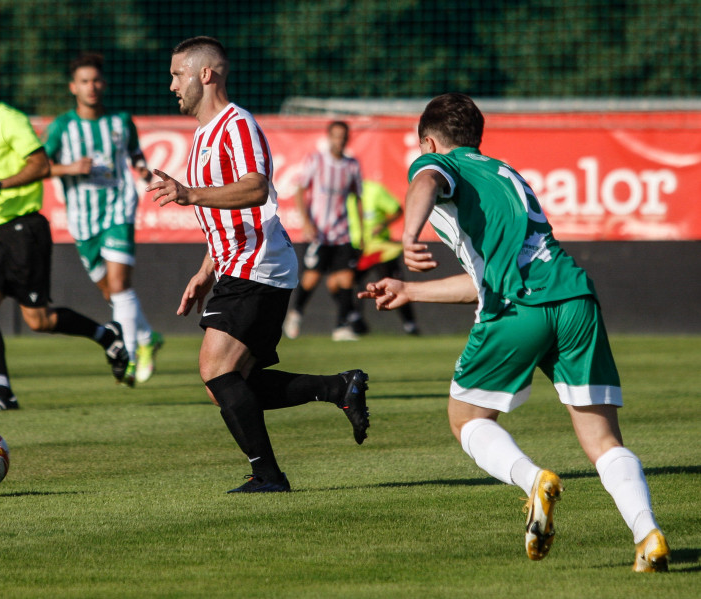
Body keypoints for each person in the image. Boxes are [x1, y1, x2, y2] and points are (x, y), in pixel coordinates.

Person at [358, 93, 669, 571]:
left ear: (430, 141)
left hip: (520, 306)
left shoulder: (439, 164)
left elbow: (425, 180)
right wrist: (411, 290)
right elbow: (483, 278)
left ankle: (533, 481)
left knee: (466, 418)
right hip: (574, 297)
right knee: (603, 440)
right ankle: (647, 533)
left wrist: (408, 235)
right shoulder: (507, 175)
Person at [147, 36, 370, 493]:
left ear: (206, 74)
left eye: (177, 74)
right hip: (235, 264)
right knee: (227, 384)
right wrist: (205, 270)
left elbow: (255, 189)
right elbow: (225, 212)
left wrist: (189, 194)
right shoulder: (203, 136)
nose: (171, 84)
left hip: (258, 264)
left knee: (216, 371)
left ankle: (269, 475)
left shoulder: (236, 124)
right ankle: (337, 387)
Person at [0, 53, 130, 410]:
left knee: (38, 320)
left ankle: (106, 335)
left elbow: (40, 165)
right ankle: (3, 392)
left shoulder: (11, 120)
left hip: (24, 230)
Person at [44, 52, 163, 387]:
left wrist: (142, 170)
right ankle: (147, 337)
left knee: (120, 285)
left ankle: (126, 355)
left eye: (96, 80)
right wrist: (70, 168)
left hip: (118, 209)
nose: (91, 87)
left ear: (103, 83)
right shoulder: (63, 127)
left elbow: (135, 151)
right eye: (84, 81)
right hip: (82, 220)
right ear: (73, 87)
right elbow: (40, 166)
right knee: (110, 292)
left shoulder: (121, 121)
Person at [282, 121, 363, 342]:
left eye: (344, 136)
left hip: (342, 233)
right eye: (336, 136)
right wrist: (306, 221)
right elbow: (300, 191)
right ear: (329, 137)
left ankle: (341, 327)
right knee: (312, 278)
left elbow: (358, 199)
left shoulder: (352, 165)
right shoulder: (316, 161)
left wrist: (362, 232)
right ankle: (296, 313)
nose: (340, 140)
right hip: (319, 233)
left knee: (346, 278)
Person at [346, 179, 419, 336]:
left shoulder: (374, 190)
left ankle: (410, 324)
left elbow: (397, 210)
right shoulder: (341, 196)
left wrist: (382, 224)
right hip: (356, 249)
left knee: (393, 286)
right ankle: (355, 322)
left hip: (380, 249)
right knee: (349, 283)